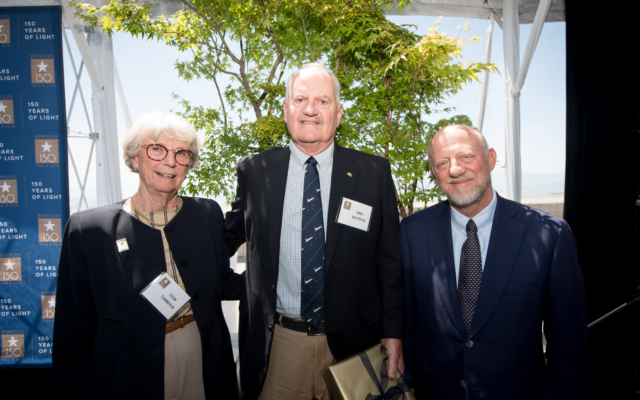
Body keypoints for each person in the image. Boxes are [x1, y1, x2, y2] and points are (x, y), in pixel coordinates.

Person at [225, 62, 404, 400]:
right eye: (300, 99)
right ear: (285, 110)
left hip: (355, 346)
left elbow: (389, 262)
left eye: (322, 101)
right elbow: (226, 237)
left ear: (338, 113)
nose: (310, 109)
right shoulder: (255, 172)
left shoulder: (373, 172)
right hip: (280, 347)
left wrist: (394, 333)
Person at [53, 111, 243, 400]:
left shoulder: (207, 214)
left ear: (188, 164)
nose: (170, 161)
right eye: (157, 149)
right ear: (134, 159)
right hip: (126, 371)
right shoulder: (89, 230)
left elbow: (221, 283)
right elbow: (73, 327)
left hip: (201, 358)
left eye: (182, 153)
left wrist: (283, 280)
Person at [400, 124, 590, 399]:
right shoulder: (412, 232)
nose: (455, 170)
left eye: (466, 157)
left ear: (490, 159)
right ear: (433, 173)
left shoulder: (548, 235)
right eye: (443, 163)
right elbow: (407, 322)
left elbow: (569, 345)